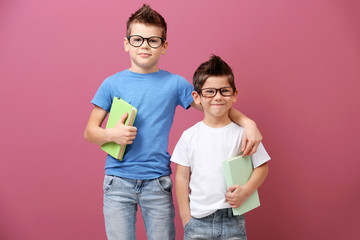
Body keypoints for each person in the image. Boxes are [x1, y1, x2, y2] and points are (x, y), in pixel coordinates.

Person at [84, 4, 263, 240]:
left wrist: (249, 123)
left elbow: (214, 106)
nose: (145, 45)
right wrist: (111, 135)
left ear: (164, 46)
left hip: (157, 182)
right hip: (117, 181)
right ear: (126, 43)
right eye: (137, 39)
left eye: (153, 40)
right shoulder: (111, 84)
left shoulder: (175, 84)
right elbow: (90, 132)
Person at [171, 55, 270, 240]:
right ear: (197, 97)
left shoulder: (243, 133)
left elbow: (262, 167)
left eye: (224, 91)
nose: (217, 97)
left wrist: (247, 191)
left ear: (234, 94)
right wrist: (186, 219)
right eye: (209, 91)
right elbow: (182, 177)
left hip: (233, 220)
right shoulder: (189, 136)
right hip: (198, 221)